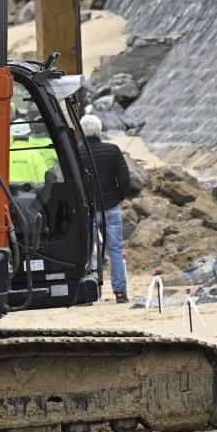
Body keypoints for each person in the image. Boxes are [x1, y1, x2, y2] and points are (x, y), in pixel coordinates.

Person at [80, 113, 131, 302]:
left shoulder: (77, 153)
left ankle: (85, 293)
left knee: (85, 251)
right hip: (111, 207)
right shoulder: (113, 150)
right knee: (115, 251)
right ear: (99, 130)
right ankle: (120, 293)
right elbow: (125, 178)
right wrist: (118, 197)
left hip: (89, 210)